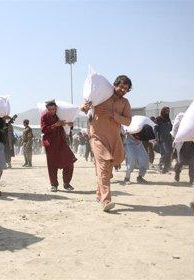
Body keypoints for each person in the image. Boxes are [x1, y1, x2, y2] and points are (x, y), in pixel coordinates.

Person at [81, 75, 132, 212]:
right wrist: (85, 107)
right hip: (97, 137)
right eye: (121, 86)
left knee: (108, 167)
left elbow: (128, 121)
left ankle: (99, 192)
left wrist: (113, 114)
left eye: (126, 88)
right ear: (115, 85)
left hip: (114, 138)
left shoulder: (125, 103)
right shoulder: (102, 95)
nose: (123, 89)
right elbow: (85, 109)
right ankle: (106, 200)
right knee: (104, 166)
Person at [41, 100, 77, 192]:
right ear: (47, 109)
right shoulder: (44, 116)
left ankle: (66, 183)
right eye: (50, 109)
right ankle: (54, 185)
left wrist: (71, 125)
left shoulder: (60, 115)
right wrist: (55, 125)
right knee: (52, 164)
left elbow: (66, 124)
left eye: (54, 109)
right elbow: (44, 129)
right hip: (50, 143)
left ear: (56, 108)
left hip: (61, 142)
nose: (52, 111)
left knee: (69, 161)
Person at [154, 107, 173, 174]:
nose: (168, 112)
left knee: (169, 153)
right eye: (166, 111)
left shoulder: (168, 119)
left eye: (168, 111)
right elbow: (155, 129)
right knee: (166, 152)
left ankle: (165, 168)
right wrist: (156, 138)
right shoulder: (158, 119)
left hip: (169, 138)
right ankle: (160, 164)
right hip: (162, 139)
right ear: (163, 111)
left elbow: (171, 128)